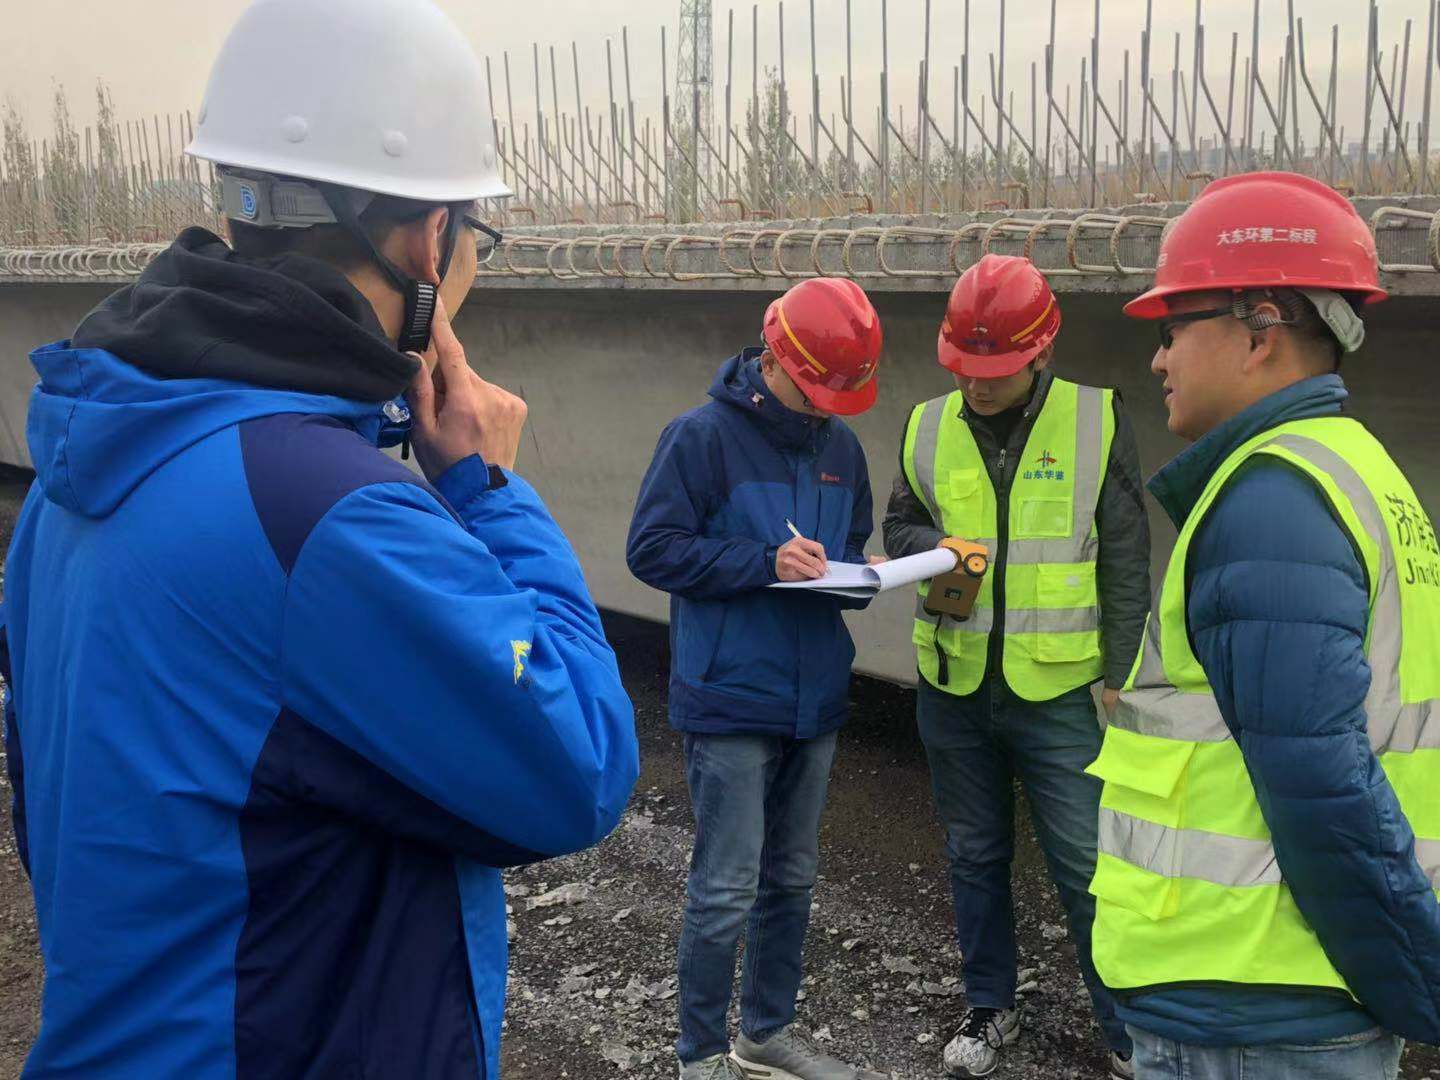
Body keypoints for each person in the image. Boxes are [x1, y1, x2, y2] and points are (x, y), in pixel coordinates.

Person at [0, 1, 639, 1076]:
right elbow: (579, 767)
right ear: (430, 237)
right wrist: (488, 490)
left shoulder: (87, 456)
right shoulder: (322, 513)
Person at [1089, 171, 1440, 1080]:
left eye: (1173, 329)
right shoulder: (1355, 470)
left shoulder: (1274, 503)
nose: (1158, 360)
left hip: (1250, 1006)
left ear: (1259, 330)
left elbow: (1321, 785)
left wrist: (1417, 982)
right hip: (1282, 995)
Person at [884, 253, 1149, 1079]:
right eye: (964, 367)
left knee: (1087, 866)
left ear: (1042, 351)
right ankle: (990, 1006)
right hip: (954, 683)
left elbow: (1127, 557)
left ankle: (1127, 1035)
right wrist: (936, 548)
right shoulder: (927, 426)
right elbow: (899, 526)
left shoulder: (1095, 420)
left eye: (994, 370)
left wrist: (1121, 673)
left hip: (1060, 692)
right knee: (973, 857)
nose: (977, 384)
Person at [627, 278, 889, 1080]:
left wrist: (864, 575)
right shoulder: (700, 438)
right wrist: (763, 561)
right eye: (816, 390)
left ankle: (765, 1033)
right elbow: (652, 549)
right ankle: (700, 1054)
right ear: (773, 358)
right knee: (725, 888)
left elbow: (846, 550)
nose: (825, 408)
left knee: (792, 880)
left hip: (815, 698)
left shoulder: (840, 448)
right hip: (732, 696)